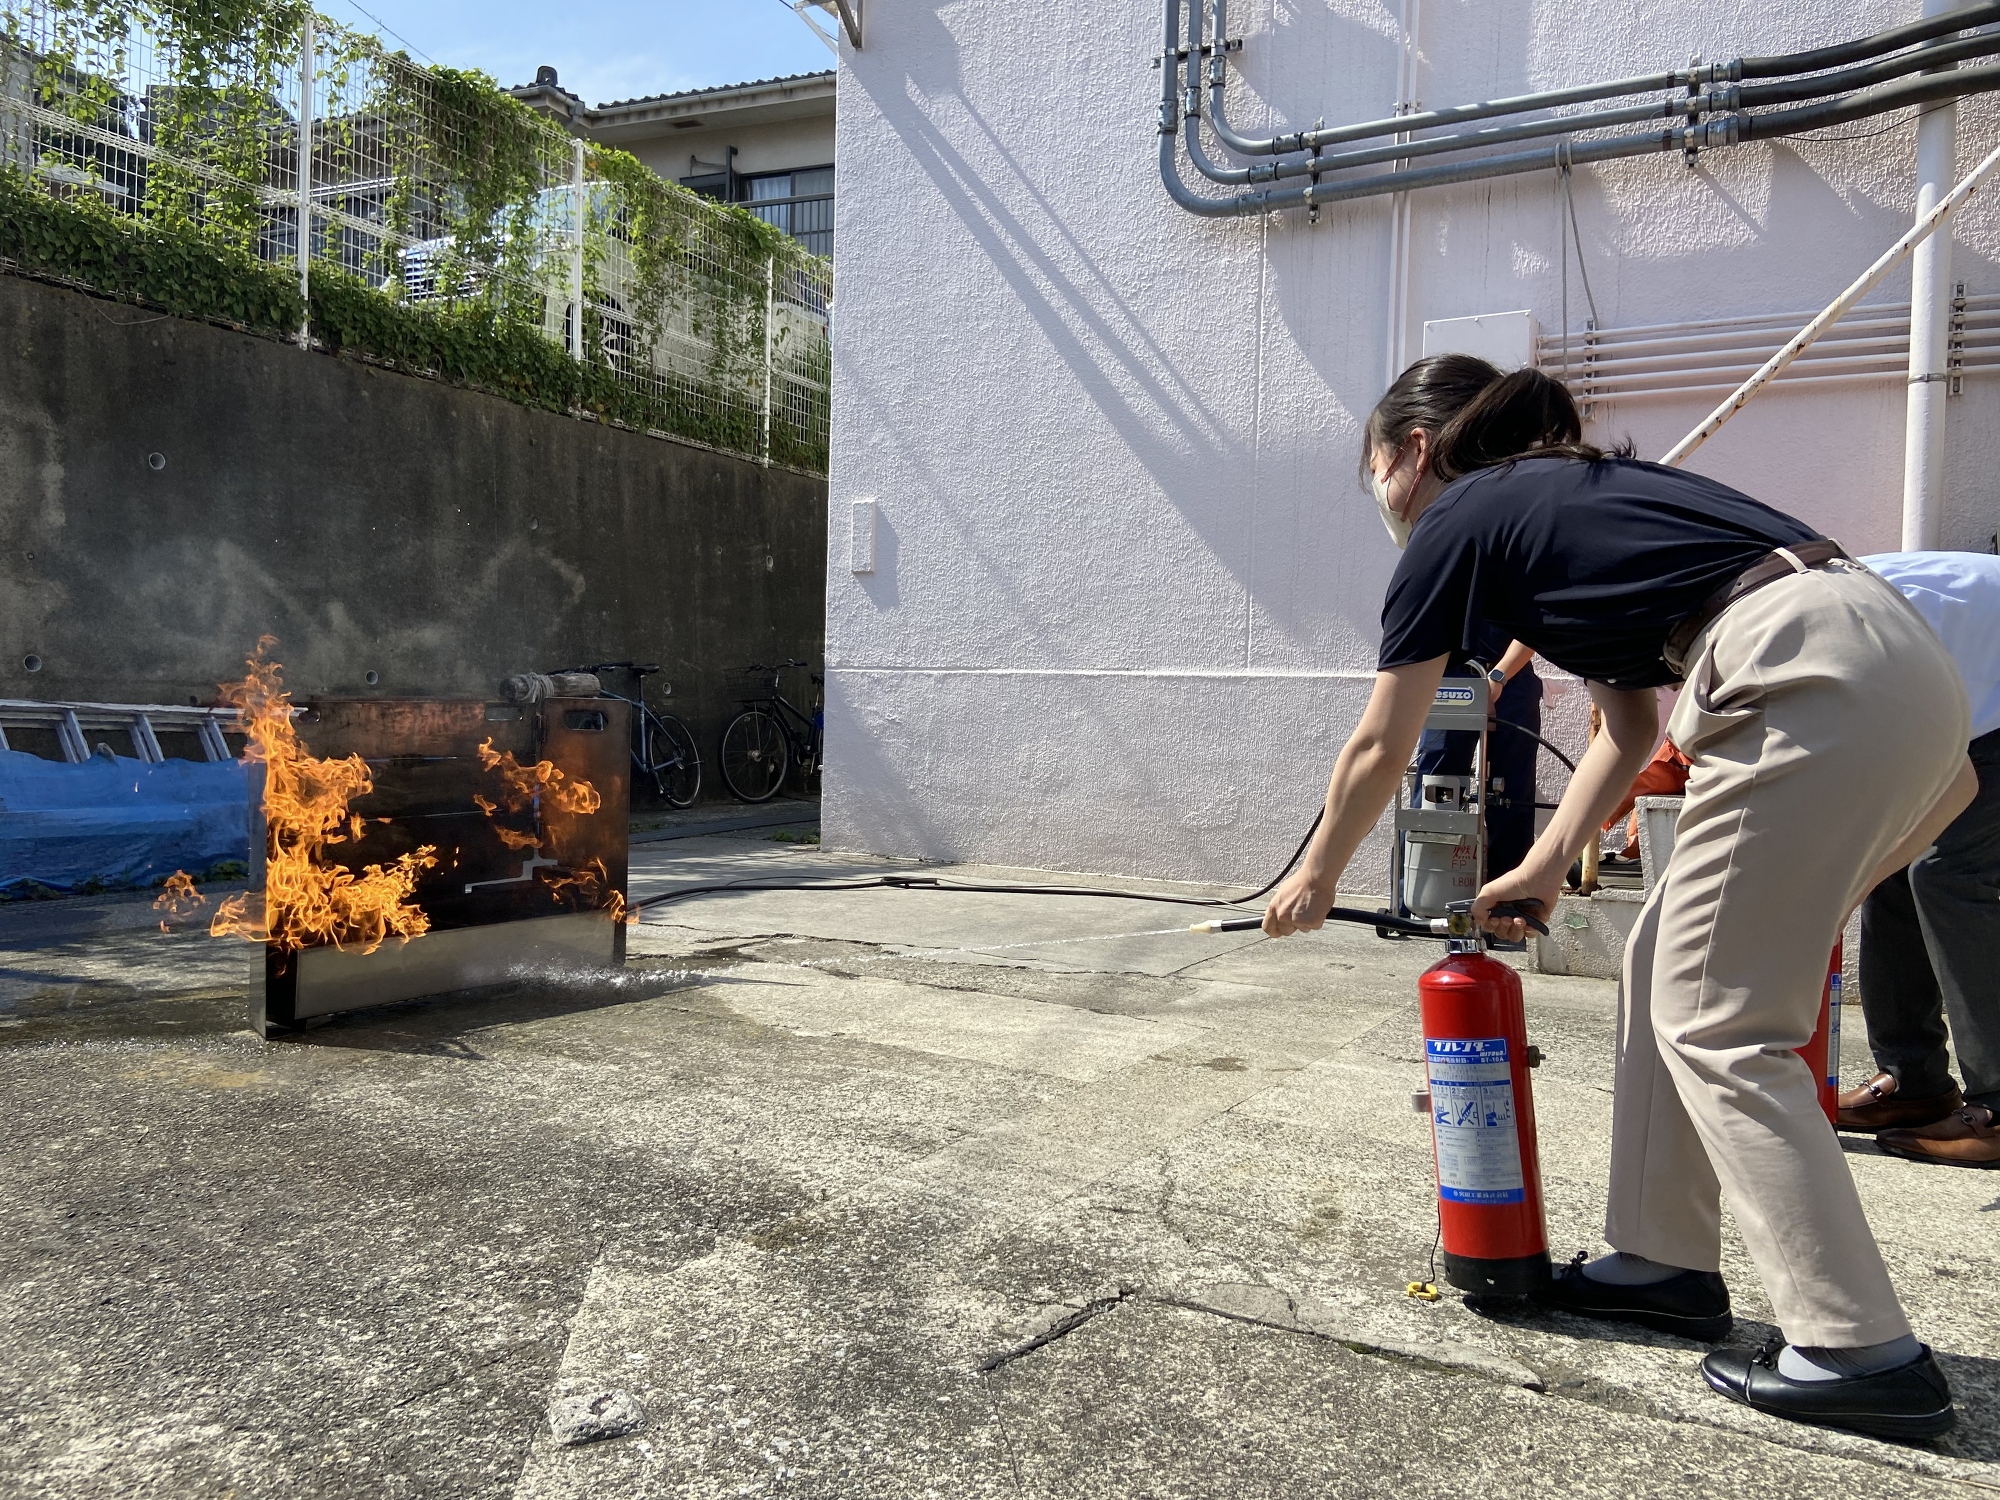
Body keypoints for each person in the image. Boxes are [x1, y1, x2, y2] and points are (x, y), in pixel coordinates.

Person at [1264, 355, 1976, 1440]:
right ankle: (1661, 1264)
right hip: (1899, 679)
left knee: (1721, 1020)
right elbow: (1632, 731)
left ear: (1408, 453)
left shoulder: (1459, 516)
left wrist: (1314, 874)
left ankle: (1855, 1349)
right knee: (1663, 968)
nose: (1377, 490)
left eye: (1370, 464)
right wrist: (1548, 863)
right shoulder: (1562, 509)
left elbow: (1382, 738)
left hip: (1798, 673)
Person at [1833, 551, 2000, 1167]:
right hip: (1974, 711)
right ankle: (1915, 1082)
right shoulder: (1789, 616)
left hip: (1987, 718)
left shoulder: (1814, 629)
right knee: (1895, 871)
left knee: (1949, 875)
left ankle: (1999, 1107)